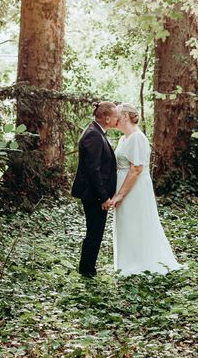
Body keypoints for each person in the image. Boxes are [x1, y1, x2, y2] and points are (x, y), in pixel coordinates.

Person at [110, 103, 186, 277]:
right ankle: (129, 261)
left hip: (135, 188)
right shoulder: (124, 139)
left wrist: (120, 194)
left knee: (137, 222)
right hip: (124, 184)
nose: (114, 118)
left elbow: (136, 168)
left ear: (126, 116)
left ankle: (141, 262)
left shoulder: (137, 137)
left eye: (118, 114)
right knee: (126, 222)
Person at [71, 101, 119, 278]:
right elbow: (93, 170)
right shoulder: (94, 135)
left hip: (94, 194)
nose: (117, 120)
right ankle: (87, 270)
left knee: (95, 232)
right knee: (94, 232)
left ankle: (87, 268)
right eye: (115, 117)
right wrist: (103, 197)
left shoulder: (97, 132)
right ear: (107, 118)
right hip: (93, 195)